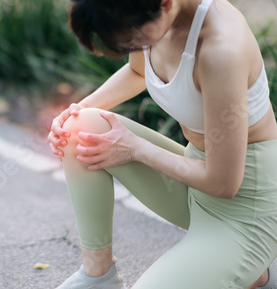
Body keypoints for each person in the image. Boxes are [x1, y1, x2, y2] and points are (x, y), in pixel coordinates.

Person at [47, 0, 277, 288]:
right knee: (78, 129)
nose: (133, 47)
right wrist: (74, 110)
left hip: (245, 209)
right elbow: (138, 72)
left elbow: (223, 183)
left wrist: (135, 148)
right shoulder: (147, 12)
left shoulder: (221, 49)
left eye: (134, 40)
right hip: (194, 181)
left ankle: (252, 264)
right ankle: (98, 277)